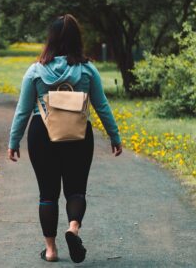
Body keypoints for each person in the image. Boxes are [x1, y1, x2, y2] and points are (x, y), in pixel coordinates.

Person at [7, 14, 122, 263]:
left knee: (47, 194)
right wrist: (115, 136)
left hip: (42, 133)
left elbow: (23, 110)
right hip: (79, 135)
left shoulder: (36, 71)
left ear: (50, 39)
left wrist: (13, 141)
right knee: (76, 190)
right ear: (76, 39)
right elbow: (102, 106)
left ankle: (50, 250)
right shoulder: (87, 69)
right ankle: (73, 229)